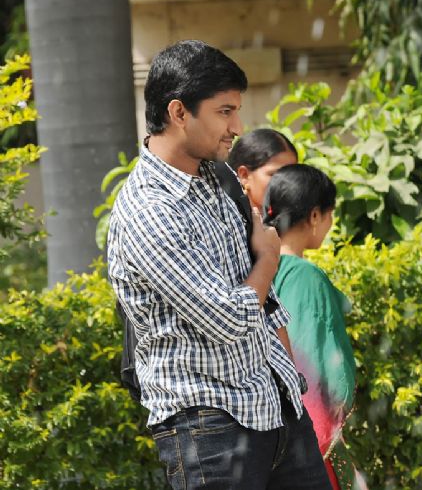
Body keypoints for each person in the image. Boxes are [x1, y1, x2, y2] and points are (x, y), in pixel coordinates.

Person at [107, 40, 331, 490]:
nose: (237, 127)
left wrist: (294, 394)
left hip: (279, 410)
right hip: (209, 429)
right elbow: (228, 318)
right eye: (225, 112)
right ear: (179, 112)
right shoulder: (148, 211)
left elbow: (266, 307)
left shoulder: (219, 177)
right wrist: (269, 257)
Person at [262, 164, 364, 490]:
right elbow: (316, 366)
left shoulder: (257, 266)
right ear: (315, 215)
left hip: (261, 435)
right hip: (303, 442)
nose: (330, 224)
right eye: (330, 214)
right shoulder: (306, 277)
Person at [228, 128, 299, 209]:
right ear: (245, 175)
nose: (289, 183)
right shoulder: (224, 214)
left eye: (293, 175)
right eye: (276, 175)